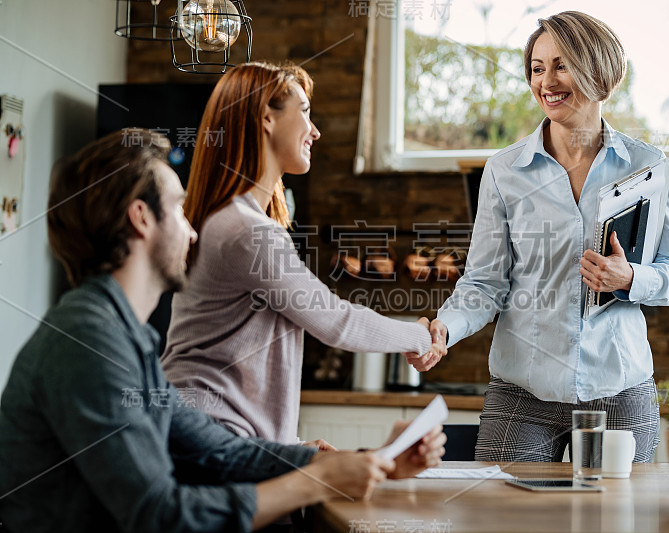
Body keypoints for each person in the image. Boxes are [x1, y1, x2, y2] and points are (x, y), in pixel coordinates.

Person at [0, 131, 445, 533]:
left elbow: (221, 452)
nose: (193, 232)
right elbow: (158, 514)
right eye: (178, 208)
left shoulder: (123, 337)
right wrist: (317, 480)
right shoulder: (90, 343)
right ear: (141, 218)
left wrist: (369, 461)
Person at [408, 11, 669, 463]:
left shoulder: (647, 164)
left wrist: (630, 277)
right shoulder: (505, 170)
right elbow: (483, 283)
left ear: (598, 69)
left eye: (561, 65)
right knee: (502, 518)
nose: (546, 81)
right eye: (537, 68)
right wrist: (445, 327)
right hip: (523, 391)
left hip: (618, 389)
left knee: (614, 525)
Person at [160, 62, 446, 444]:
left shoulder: (231, 221)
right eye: (306, 112)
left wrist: (290, 447)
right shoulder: (245, 230)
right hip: (210, 435)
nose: (315, 131)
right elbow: (335, 321)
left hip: (207, 430)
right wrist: (420, 337)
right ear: (267, 117)